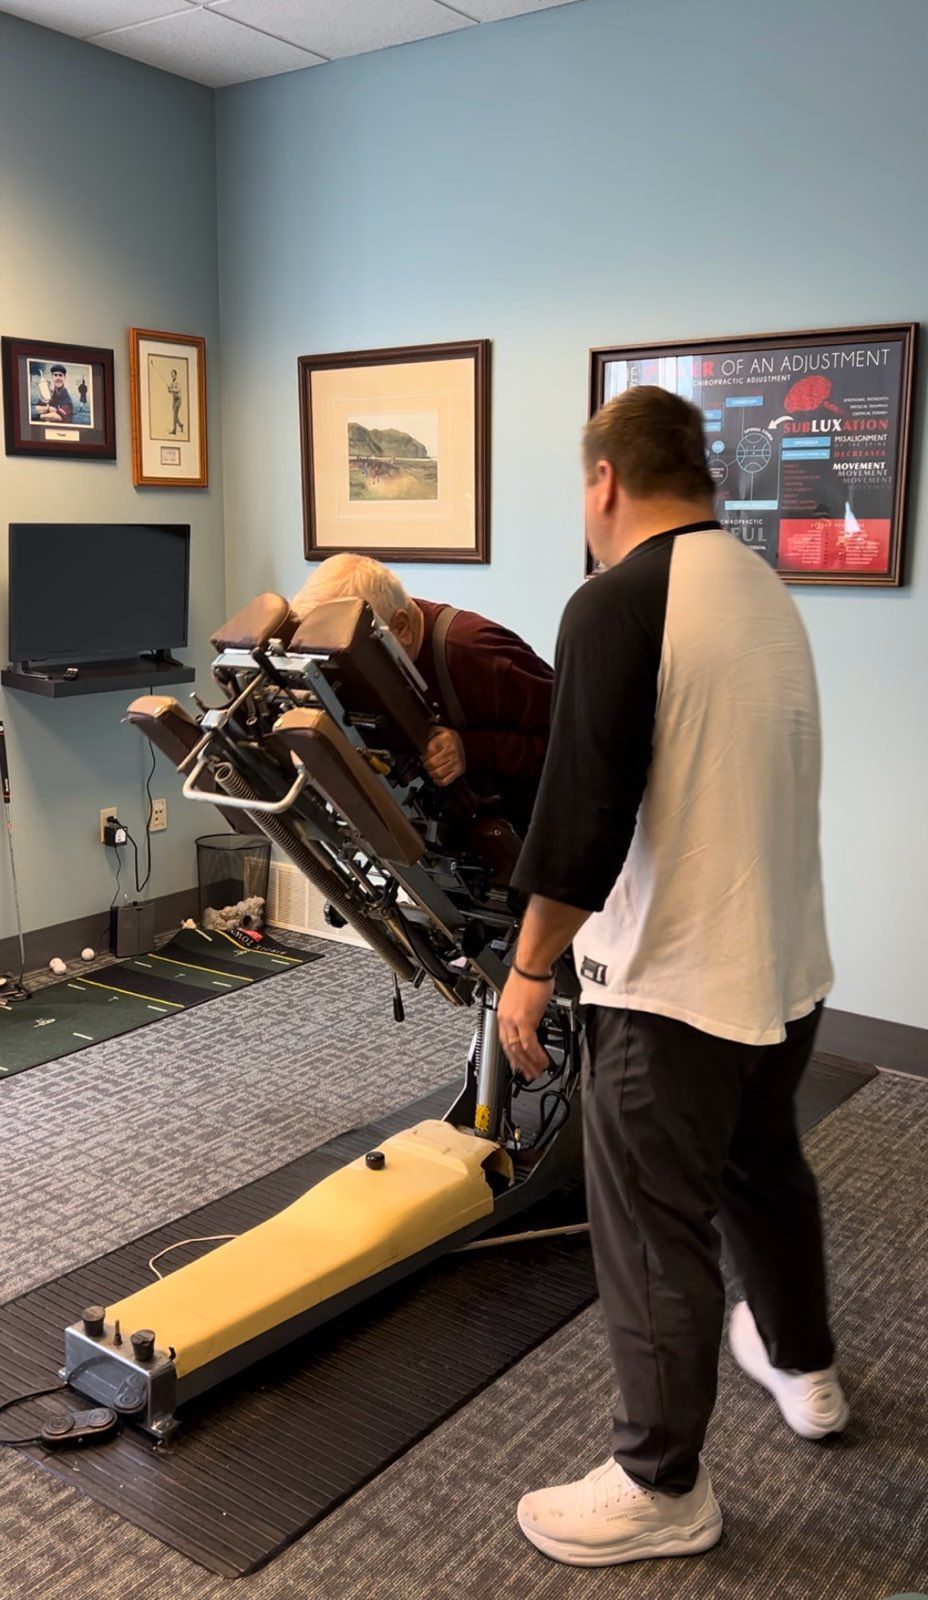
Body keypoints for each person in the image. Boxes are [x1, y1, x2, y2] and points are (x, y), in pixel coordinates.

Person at [498, 385, 842, 1568]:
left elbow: (580, 815)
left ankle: (661, 1486)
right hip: (784, 968)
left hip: (675, 984)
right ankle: (804, 1366)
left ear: (603, 480)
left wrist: (528, 969)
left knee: (651, 1232)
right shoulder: (761, 587)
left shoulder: (615, 600)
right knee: (762, 1172)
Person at [291, 554, 552, 830]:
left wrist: (472, 749)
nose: (344, 670)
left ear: (401, 627)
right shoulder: (360, 661)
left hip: (532, 833)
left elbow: (578, 743)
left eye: (350, 656)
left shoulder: (476, 652)